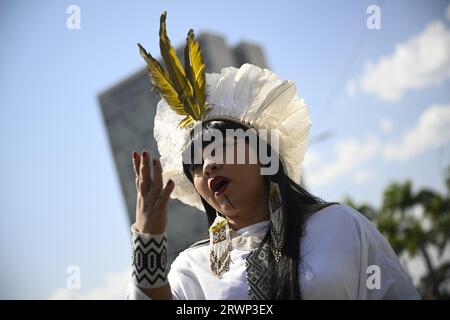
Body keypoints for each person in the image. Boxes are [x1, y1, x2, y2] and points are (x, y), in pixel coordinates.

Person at [126, 12, 420, 300]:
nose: (209, 165)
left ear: (263, 152)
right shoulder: (192, 269)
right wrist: (147, 241)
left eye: (220, 147)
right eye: (195, 165)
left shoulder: (339, 226)